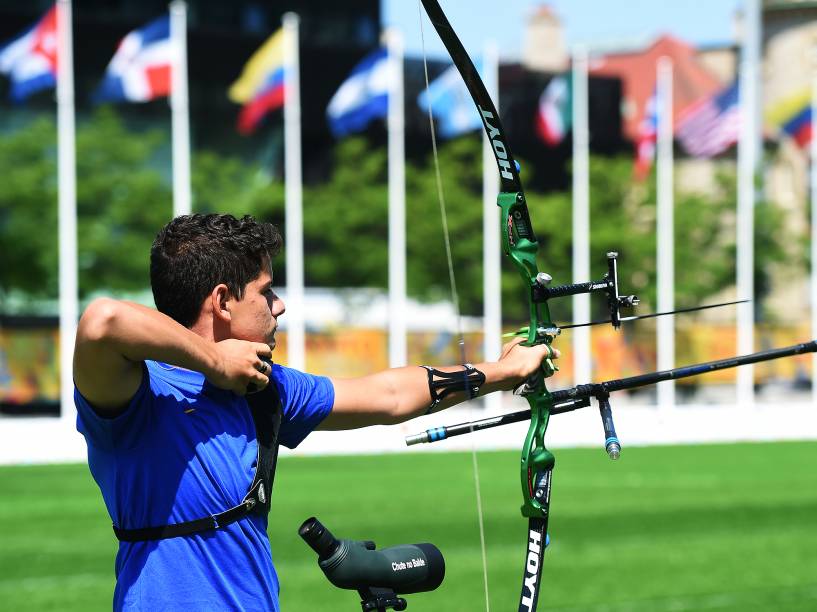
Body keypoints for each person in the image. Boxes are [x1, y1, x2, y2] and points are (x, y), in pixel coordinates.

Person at [73, 213, 557, 611]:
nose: (278, 306)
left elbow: (388, 395)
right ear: (222, 301)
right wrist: (217, 362)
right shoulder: (138, 394)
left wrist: (501, 371)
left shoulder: (262, 386)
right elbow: (103, 321)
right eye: (265, 291)